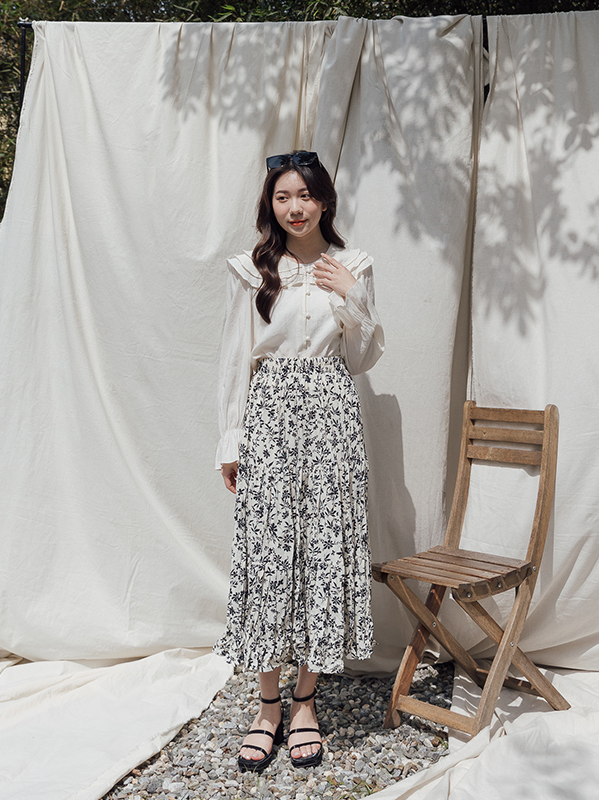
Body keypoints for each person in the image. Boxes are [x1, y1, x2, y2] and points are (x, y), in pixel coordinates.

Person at [213, 150, 384, 773]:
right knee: (267, 554)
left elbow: (363, 357)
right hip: (269, 416)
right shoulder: (250, 270)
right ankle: (267, 708)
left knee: (321, 552)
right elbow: (235, 358)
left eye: (306, 196)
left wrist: (351, 299)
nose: (295, 207)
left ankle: (306, 701)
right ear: (271, 204)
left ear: (325, 202)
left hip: (332, 416)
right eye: (283, 196)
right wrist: (230, 440)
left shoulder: (354, 266)